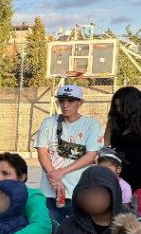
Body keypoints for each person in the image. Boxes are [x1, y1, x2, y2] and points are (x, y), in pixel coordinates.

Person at [34, 84, 103, 224]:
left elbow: (91, 155)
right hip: (50, 193)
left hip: (78, 193)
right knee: (51, 233)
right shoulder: (49, 123)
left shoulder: (91, 125)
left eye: (70, 101)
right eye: (62, 100)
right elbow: (42, 151)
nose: (65, 105)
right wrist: (54, 177)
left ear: (80, 102)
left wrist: (62, 172)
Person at [105, 86, 141, 194]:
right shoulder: (113, 122)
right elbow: (106, 149)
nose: (118, 110)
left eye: (121, 107)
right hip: (117, 175)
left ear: (133, 106)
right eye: (116, 106)